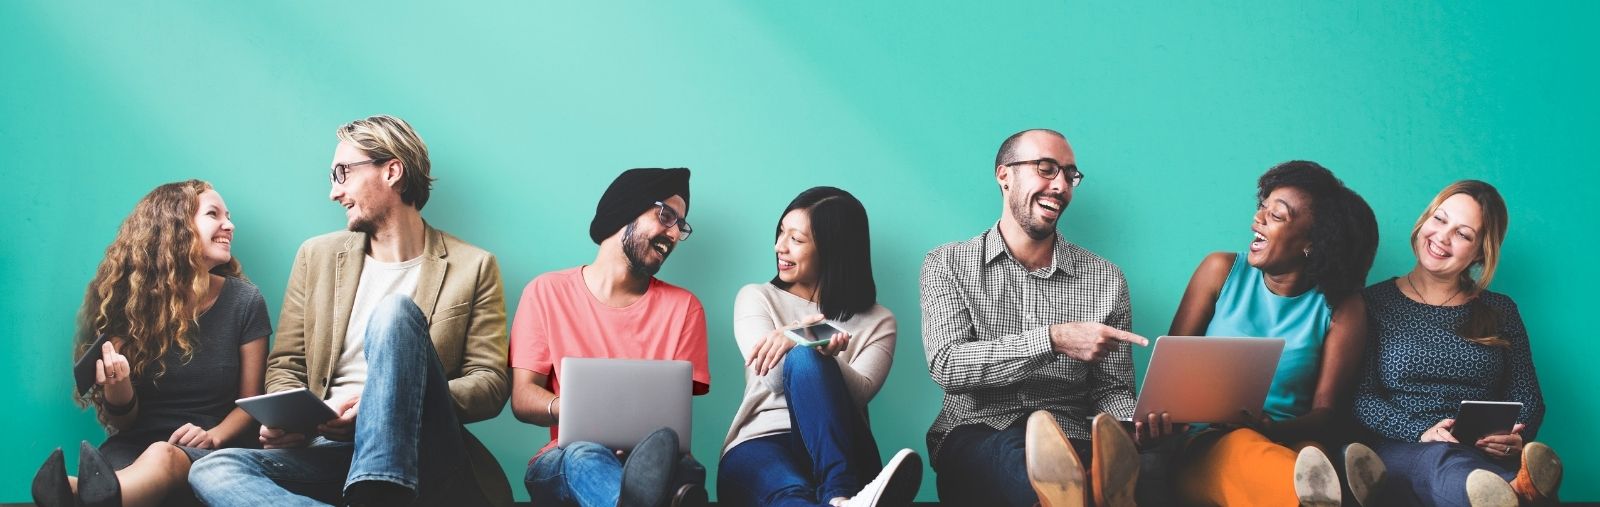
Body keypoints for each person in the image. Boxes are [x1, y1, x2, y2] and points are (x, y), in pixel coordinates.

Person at [187, 115, 513, 506]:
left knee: (394, 313)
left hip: (424, 450)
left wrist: (381, 400)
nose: (333, 192)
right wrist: (293, 421)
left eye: (342, 173)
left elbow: (489, 383)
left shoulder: (473, 266)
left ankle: (378, 490)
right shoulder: (317, 256)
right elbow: (286, 364)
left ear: (392, 170)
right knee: (211, 468)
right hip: (327, 447)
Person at [922, 128, 1170, 507]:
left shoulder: (1106, 280)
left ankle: (1094, 485)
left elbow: (1112, 388)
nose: (1061, 185)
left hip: (1075, 436)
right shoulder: (947, 264)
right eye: (1046, 168)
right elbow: (948, 365)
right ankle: (1077, 491)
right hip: (979, 432)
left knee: (1145, 462)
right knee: (1016, 452)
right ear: (1004, 175)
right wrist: (1052, 340)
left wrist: (1130, 428)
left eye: (1070, 176)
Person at [33, 180, 271, 507]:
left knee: (162, 456)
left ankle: (79, 494)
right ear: (176, 228)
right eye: (213, 214)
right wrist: (119, 385)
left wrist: (214, 435)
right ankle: (82, 491)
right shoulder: (131, 307)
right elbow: (124, 422)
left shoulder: (245, 302)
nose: (229, 225)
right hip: (134, 447)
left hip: (214, 450)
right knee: (137, 461)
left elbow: (252, 402)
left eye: (228, 216)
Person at [1165, 160, 1378, 506]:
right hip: (1211, 441)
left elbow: (1325, 413)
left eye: (1275, 216)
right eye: (1261, 208)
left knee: (1311, 452)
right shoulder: (1219, 271)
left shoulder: (1341, 307)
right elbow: (1168, 378)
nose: (1257, 220)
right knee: (1252, 451)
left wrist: (1270, 429)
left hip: (1290, 438)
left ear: (1312, 242)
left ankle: (1326, 489)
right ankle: (1349, 493)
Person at [1348, 180, 1562, 506]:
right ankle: (1517, 490)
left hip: (1483, 450)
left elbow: (1527, 395)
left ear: (1480, 253)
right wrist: (1422, 430)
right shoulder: (1372, 303)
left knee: (1467, 464)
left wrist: (1515, 436)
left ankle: (1508, 489)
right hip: (1405, 446)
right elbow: (1361, 397)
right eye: (1439, 219)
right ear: (1424, 220)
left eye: (1463, 234)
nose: (1443, 237)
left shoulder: (1500, 309)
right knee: (1440, 460)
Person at [511, 168, 712, 507]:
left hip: (651, 459)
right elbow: (522, 398)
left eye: (681, 225)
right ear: (625, 210)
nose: (674, 234)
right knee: (585, 455)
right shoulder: (546, 292)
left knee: (677, 466)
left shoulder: (685, 308)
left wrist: (637, 440)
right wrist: (579, 412)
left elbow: (674, 417)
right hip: (567, 458)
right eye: (666, 216)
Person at [719, 186, 922, 507]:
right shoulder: (756, 297)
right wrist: (812, 333)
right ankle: (842, 501)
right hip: (762, 442)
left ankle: (837, 492)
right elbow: (771, 378)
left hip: (840, 443)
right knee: (791, 494)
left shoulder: (879, 321)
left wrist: (816, 345)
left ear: (833, 250)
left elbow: (859, 396)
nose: (779, 247)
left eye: (796, 240)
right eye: (781, 233)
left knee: (806, 357)